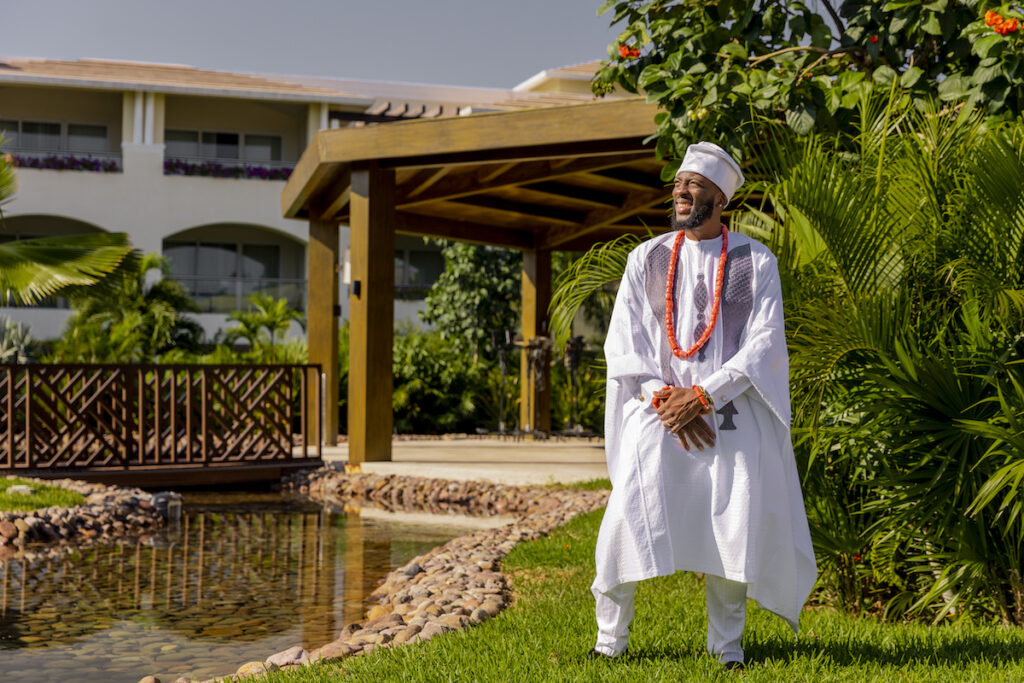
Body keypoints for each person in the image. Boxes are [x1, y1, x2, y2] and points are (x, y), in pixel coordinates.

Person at [589, 141, 816, 669]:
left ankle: (727, 650)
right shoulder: (645, 258)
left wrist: (705, 396)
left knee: (731, 531)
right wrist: (666, 399)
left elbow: (763, 344)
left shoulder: (756, 261)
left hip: (729, 417)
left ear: (720, 199)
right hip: (659, 413)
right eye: (678, 185)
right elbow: (624, 344)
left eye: (694, 186)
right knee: (624, 520)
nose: (681, 192)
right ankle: (608, 644)